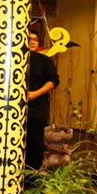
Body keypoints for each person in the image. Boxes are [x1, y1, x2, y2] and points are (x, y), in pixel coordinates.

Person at [26, 30, 60, 169]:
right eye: (29, 39)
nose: (32, 41)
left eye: (35, 39)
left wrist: (35, 94)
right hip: (14, 111)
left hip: (37, 110)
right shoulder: (12, 60)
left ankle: (32, 178)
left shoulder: (44, 60)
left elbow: (54, 81)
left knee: (36, 144)